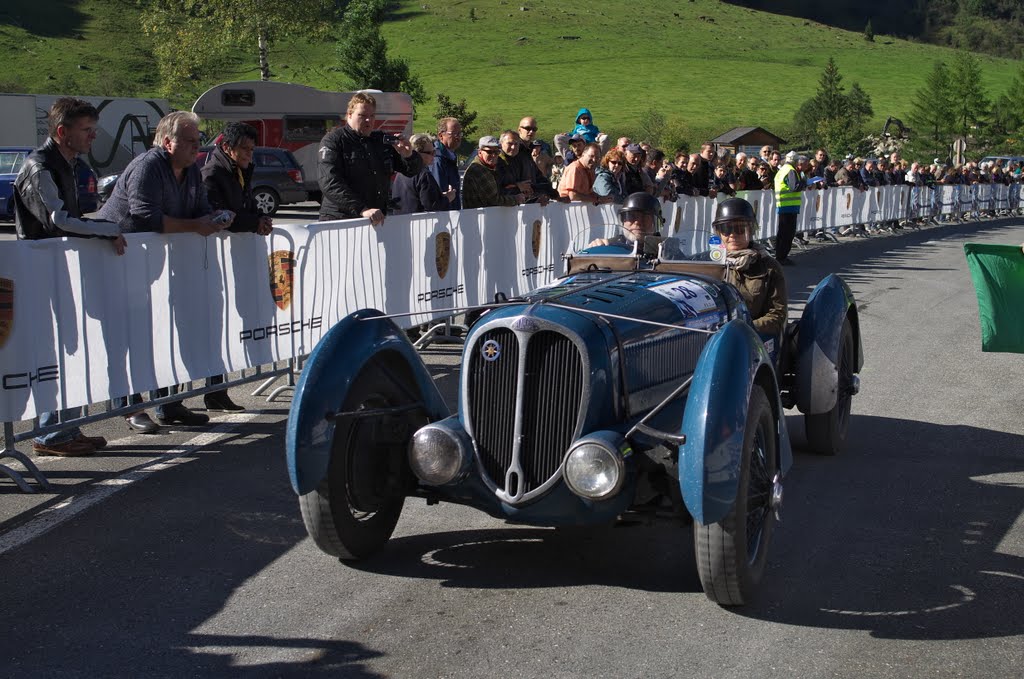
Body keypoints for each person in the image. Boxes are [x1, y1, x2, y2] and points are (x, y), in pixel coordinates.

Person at [100, 110, 232, 430]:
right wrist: (195, 225)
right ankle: (130, 407)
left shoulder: (190, 171)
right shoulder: (148, 166)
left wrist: (216, 217)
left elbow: (199, 210)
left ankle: (169, 404)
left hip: (156, 264)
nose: (196, 148)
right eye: (190, 141)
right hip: (118, 259)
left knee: (163, 333)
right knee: (131, 335)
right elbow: (145, 217)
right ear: (168, 141)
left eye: (198, 141)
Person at [14, 97, 126, 456]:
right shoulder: (40, 166)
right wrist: (104, 229)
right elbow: (57, 220)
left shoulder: (66, 163)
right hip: (41, 275)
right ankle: (51, 434)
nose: (93, 137)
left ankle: (64, 429)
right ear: (63, 132)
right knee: (54, 354)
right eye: (87, 130)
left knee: (69, 352)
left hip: (59, 272)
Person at [200, 121, 273, 412]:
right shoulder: (213, 173)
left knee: (227, 321)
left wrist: (259, 217)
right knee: (212, 324)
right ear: (227, 147)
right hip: (213, 258)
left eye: (252, 149)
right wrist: (252, 222)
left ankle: (216, 390)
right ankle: (209, 390)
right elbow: (218, 212)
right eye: (245, 149)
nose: (249, 155)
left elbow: (244, 205)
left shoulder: (241, 169)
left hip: (235, 256)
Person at [317, 91, 422, 224]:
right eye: (362, 115)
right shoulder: (333, 140)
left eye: (372, 116)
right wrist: (362, 209)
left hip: (375, 220)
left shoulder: (380, 140)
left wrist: (408, 155)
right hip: (340, 220)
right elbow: (329, 182)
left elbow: (412, 171)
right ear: (349, 115)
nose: (368, 120)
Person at [712, 197, 788, 338]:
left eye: (740, 229)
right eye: (726, 229)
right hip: (713, 337)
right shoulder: (709, 264)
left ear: (751, 230)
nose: (733, 234)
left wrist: (744, 330)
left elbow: (777, 314)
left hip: (753, 340)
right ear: (719, 233)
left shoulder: (769, 267)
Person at [392, 133, 454, 214]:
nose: (434, 156)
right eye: (430, 153)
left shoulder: (401, 172)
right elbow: (432, 207)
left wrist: (439, 196)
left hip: (402, 222)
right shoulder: (423, 174)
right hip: (419, 224)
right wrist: (448, 198)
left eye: (434, 152)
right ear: (417, 153)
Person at [462, 136, 525, 209]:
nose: (493, 155)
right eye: (489, 152)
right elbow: (494, 200)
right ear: (480, 152)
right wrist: (516, 199)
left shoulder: (488, 167)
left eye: (496, 152)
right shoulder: (479, 169)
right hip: (479, 218)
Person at [587, 192, 663, 249]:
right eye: (631, 216)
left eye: (644, 217)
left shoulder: (666, 251)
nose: (637, 222)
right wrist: (597, 246)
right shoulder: (612, 246)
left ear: (655, 222)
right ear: (623, 220)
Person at [773, 150, 802, 265]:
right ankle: (782, 257)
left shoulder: (782, 170)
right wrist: (804, 183)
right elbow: (794, 187)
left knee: (782, 232)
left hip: (783, 205)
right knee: (788, 233)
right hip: (789, 206)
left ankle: (780, 256)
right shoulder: (790, 170)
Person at [430, 117, 462, 210]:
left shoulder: (450, 156)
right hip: (445, 217)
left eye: (459, 133)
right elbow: (440, 193)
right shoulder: (437, 159)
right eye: (454, 133)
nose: (458, 137)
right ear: (441, 136)